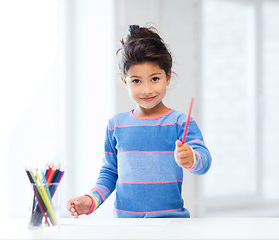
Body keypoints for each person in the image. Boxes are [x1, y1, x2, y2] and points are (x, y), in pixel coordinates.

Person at [68, 25, 212, 218]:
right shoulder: (116, 125)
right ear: (124, 81)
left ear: (167, 77)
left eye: (154, 78)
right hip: (127, 227)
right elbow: (110, 172)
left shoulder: (181, 122)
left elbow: (204, 163)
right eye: (136, 81)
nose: (146, 90)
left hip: (172, 224)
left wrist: (192, 158)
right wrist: (92, 200)